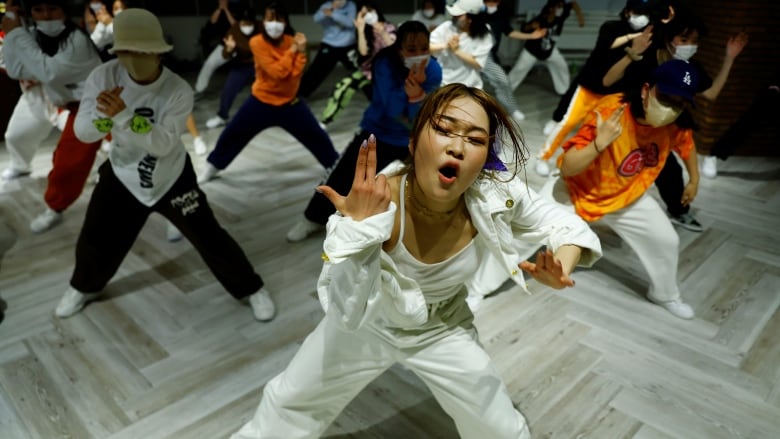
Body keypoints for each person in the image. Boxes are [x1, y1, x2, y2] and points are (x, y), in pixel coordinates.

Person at [232, 83, 601, 439]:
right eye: (443, 129)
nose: (457, 147)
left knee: (499, 428)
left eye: (474, 139)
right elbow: (345, 312)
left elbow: (564, 223)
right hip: (365, 326)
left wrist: (563, 265)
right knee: (288, 404)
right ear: (414, 142)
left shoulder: (495, 194)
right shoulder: (375, 204)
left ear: (484, 159)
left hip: (442, 327)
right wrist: (359, 235)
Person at [59, 8, 275, 322]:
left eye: (143, 51)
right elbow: (83, 132)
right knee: (96, 234)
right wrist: (106, 118)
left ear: (159, 52)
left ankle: (250, 288)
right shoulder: (103, 76)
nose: (134, 58)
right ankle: (83, 286)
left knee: (208, 235)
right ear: (117, 51)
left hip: (171, 174)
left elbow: (162, 144)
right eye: (126, 51)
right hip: (122, 170)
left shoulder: (177, 90)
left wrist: (123, 116)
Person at [548, 59, 700, 319]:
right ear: (645, 90)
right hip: (576, 191)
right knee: (519, 231)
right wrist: (599, 143)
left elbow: (687, 145)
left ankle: (665, 295)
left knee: (666, 241)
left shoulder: (675, 122)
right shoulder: (611, 111)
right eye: (665, 97)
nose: (670, 108)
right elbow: (567, 168)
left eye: (679, 103)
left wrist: (694, 179)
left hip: (626, 197)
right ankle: (477, 287)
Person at [287, 19, 442, 242]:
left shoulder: (434, 68)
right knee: (341, 175)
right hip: (376, 132)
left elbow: (423, 110)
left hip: (409, 139)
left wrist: (417, 95)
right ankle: (312, 218)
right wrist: (414, 90)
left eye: (423, 48)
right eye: (411, 49)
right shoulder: (384, 63)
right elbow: (392, 109)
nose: (418, 54)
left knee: (412, 186)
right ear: (399, 48)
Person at [601, 6, 748, 231]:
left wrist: (729, 59)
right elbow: (608, 81)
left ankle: (679, 211)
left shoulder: (689, 70)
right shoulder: (647, 55)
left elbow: (710, 94)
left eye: (694, 40)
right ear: (669, 37)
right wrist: (632, 53)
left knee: (669, 170)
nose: (689, 45)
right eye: (684, 38)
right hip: (629, 123)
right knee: (608, 163)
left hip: (661, 129)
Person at [198, 2, 339, 183]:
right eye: (269, 18)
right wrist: (295, 51)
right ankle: (212, 167)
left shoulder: (291, 41)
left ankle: (334, 166)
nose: (274, 23)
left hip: (290, 103)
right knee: (232, 134)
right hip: (261, 102)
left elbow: (296, 74)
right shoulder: (257, 42)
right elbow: (278, 73)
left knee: (316, 135)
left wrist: (301, 52)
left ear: (285, 22)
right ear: (263, 21)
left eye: (278, 19)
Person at [2, 0, 104, 233]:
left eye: (52, 8)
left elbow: (49, 72)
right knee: (23, 138)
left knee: (77, 157)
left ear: (64, 10)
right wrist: (14, 34)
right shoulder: (28, 36)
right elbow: (16, 69)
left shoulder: (77, 40)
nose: (46, 15)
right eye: (38, 8)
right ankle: (55, 204)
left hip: (97, 103)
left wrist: (16, 34)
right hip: (60, 100)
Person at [535, 0, 654, 177]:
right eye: (638, 12)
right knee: (567, 122)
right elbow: (608, 44)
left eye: (646, 14)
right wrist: (631, 38)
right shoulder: (611, 27)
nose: (641, 18)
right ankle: (543, 157)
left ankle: (575, 166)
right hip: (589, 87)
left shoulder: (647, 37)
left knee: (595, 133)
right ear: (628, 11)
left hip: (613, 94)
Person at [483, 0, 549, 122]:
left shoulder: (500, 15)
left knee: (503, 81)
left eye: (495, 2)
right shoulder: (475, 12)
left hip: (486, 56)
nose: (492, 5)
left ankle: (512, 109)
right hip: (465, 54)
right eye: (489, 2)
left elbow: (509, 31)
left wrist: (531, 36)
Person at [507, 0, 584, 96]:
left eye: (561, 6)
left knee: (561, 66)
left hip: (549, 51)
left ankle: (563, 91)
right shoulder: (541, 18)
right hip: (532, 51)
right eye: (558, 7)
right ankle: (505, 91)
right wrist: (531, 26)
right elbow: (525, 28)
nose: (560, 9)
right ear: (551, 9)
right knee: (519, 69)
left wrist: (580, 18)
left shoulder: (562, 13)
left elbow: (573, 4)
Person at [204, 8, 260, 129]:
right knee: (228, 90)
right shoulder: (233, 30)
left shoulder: (261, 28)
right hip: (241, 64)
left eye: (249, 24)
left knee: (265, 90)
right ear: (239, 22)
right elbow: (225, 55)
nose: (247, 26)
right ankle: (222, 116)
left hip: (260, 64)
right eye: (244, 24)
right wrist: (229, 49)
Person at [297, 0, 357, 98]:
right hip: (330, 44)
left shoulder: (351, 6)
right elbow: (316, 19)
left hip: (348, 45)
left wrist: (333, 14)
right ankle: (299, 95)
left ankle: (376, 96)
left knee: (362, 71)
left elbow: (350, 23)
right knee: (315, 72)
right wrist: (332, 8)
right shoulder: (326, 5)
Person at [429, 0, 492, 89]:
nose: (454, 17)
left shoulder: (484, 33)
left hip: (470, 86)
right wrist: (447, 45)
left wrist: (457, 51)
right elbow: (427, 48)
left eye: (459, 15)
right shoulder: (447, 27)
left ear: (470, 19)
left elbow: (478, 64)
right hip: (445, 83)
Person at [193, 0, 238, 100]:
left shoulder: (235, 7)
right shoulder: (218, 11)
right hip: (225, 46)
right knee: (209, 64)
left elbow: (235, 25)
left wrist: (226, 9)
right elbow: (213, 21)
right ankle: (199, 90)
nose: (222, 1)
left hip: (240, 44)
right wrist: (220, 9)